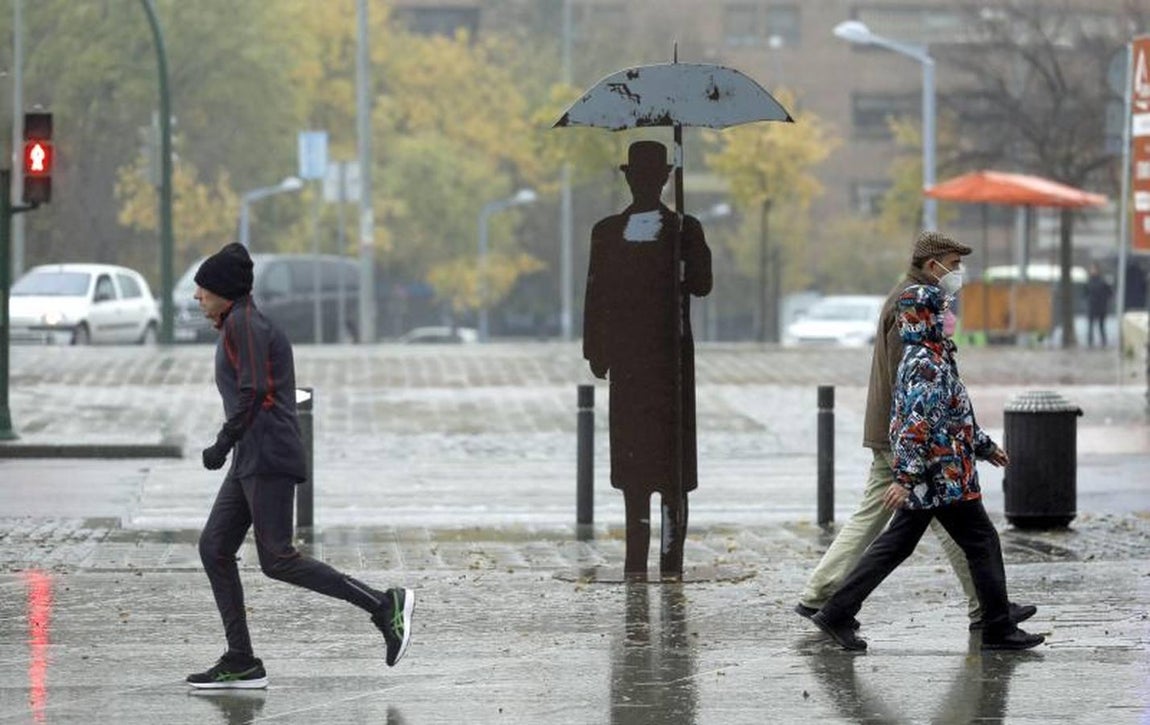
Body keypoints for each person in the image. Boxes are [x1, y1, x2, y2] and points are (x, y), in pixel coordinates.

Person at [186, 242, 414, 689]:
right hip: (251, 457)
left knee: (278, 559)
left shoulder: (245, 326)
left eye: (203, 288)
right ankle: (241, 659)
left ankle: (384, 606)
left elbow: (253, 392)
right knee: (214, 547)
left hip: (266, 455)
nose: (197, 296)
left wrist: (221, 442)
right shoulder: (239, 321)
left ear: (224, 292)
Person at [795, 231, 1034, 631]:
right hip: (909, 437)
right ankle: (988, 609)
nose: (958, 274)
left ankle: (821, 595)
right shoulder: (915, 305)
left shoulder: (915, 298)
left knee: (883, 518)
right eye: (954, 265)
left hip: (904, 435)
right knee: (951, 524)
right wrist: (913, 451)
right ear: (932, 264)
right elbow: (914, 387)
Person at [583, 140, 712, 580]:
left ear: (662, 180)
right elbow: (595, 294)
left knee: (674, 474)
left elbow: (702, 283)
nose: (644, 182)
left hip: (672, 365)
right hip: (630, 365)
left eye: (651, 175)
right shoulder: (606, 231)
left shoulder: (684, 229)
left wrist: (687, 249)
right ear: (629, 178)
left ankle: (671, 564)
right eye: (637, 175)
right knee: (634, 474)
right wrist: (596, 351)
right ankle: (635, 564)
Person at [1085, 262, 1112, 348]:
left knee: (1101, 326)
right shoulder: (1088, 281)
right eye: (1092, 269)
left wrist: (1104, 300)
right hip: (1092, 306)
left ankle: (1103, 342)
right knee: (1090, 326)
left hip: (1101, 307)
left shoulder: (1103, 281)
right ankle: (1090, 342)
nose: (1093, 271)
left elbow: (1109, 293)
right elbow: (1085, 293)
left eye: (1094, 269)